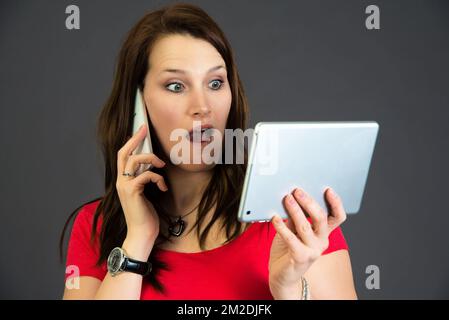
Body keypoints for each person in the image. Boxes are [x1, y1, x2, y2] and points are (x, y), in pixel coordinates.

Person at [61, 2, 357, 300]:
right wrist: (138, 238)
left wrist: (289, 290)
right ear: (138, 104)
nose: (202, 107)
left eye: (215, 82)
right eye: (176, 86)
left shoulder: (296, 214)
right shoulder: (96, 226)